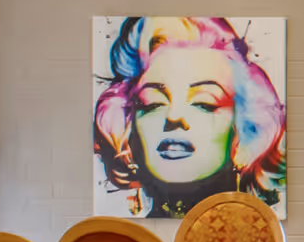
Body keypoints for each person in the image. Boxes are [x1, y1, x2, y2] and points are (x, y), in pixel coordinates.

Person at [93, 16, 285, 219]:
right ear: (129, 127)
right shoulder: (132, 240)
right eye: (153, 104)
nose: (174, 116)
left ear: (243, 132)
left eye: (204, 104)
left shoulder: (256, 239)